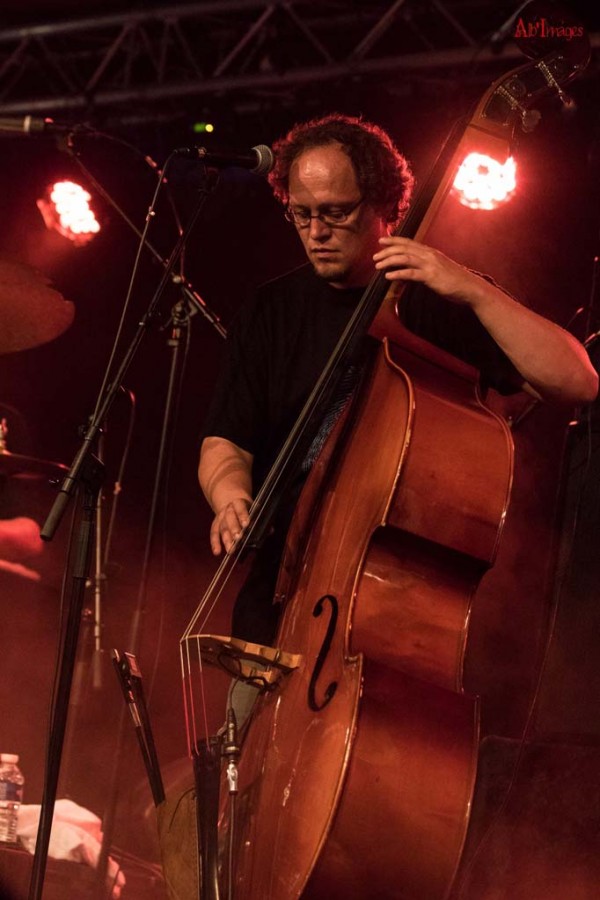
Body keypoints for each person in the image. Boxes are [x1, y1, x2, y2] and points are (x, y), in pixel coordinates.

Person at [198, 112, 598, 654]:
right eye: (302, 214)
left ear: (385, 206)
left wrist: (474, 290)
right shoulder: (271, 310)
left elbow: (577, 381)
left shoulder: (434, 298)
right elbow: (226, 439)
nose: (316, 232)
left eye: (336, 212)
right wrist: (230, 497)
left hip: (390, 614)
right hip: (276, 593)